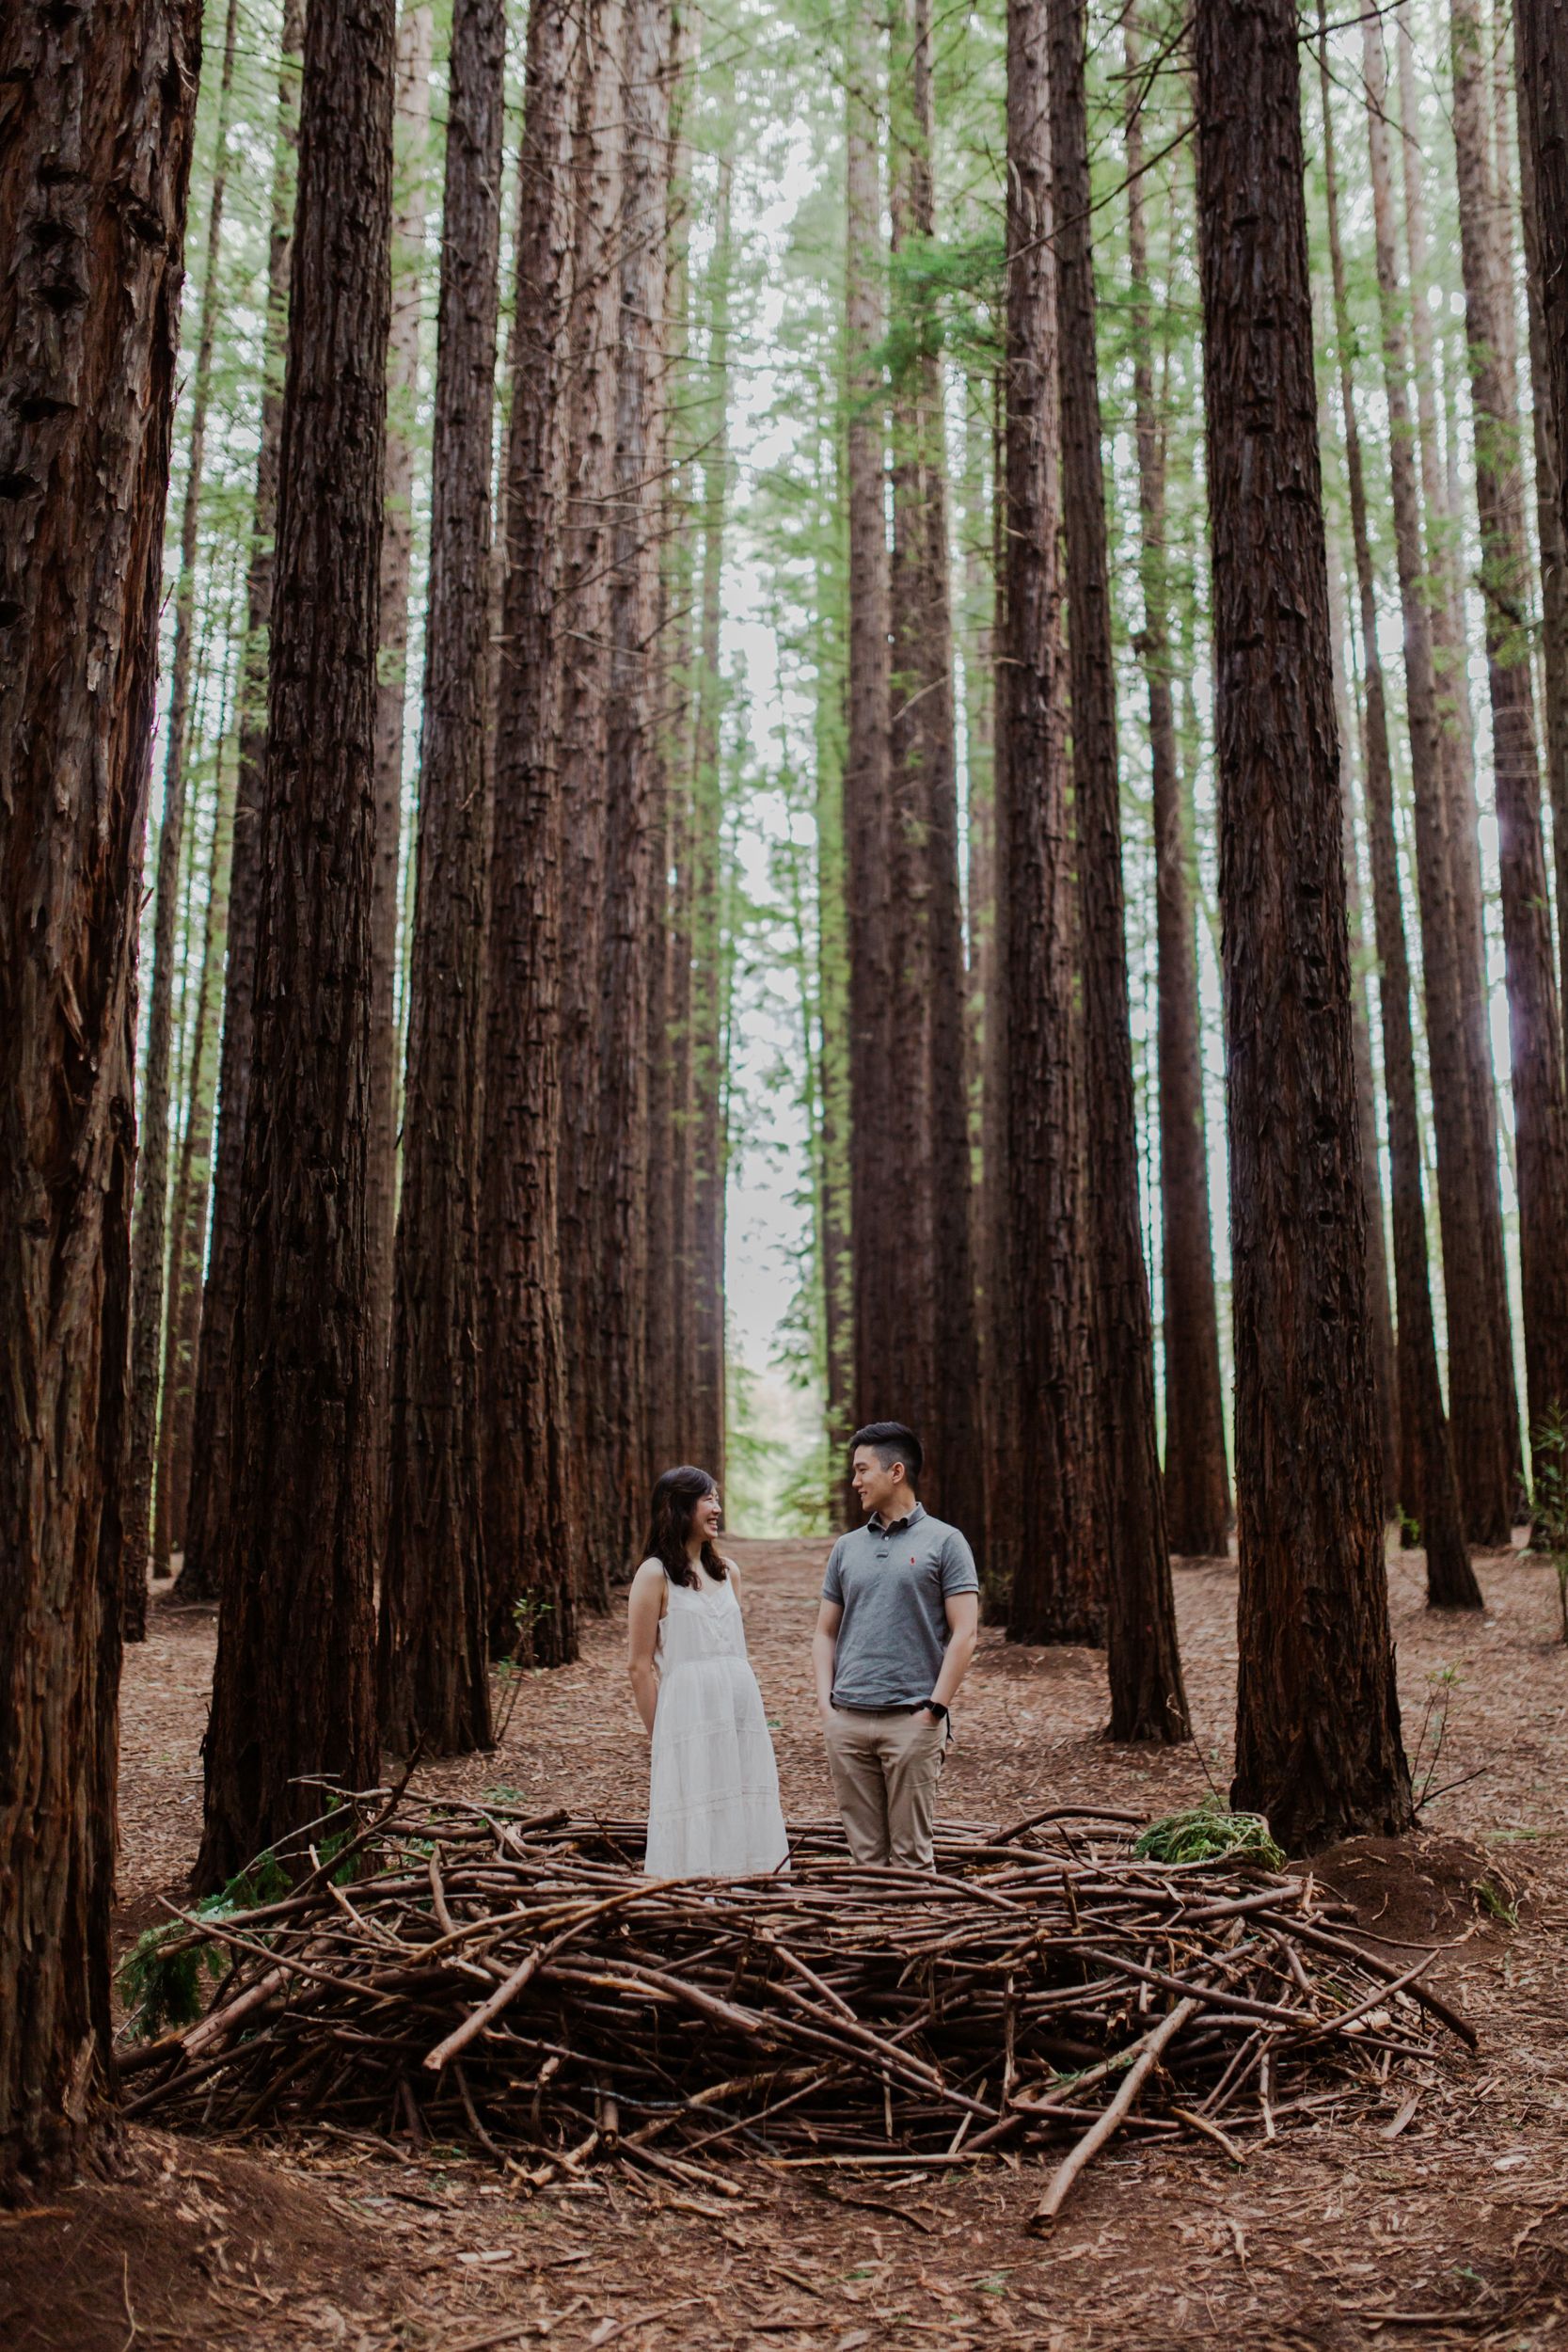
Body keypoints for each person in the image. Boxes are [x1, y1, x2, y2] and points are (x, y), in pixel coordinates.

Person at [813, 1422, 979, 1869]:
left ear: (896, 1472)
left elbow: (965, 1633)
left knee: (911, 1858)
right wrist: (828, 1712)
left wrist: (935, 1712)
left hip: (913, 1721)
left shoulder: (946, 1542)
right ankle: (869, 1936)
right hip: (847, 1721)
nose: (855, 1482)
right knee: (864, 1859)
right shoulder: (846, 1548)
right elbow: (824, 1632)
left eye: (863, 1470)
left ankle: (914, 1939)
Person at [627, 1465, 789, 1878]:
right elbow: (639, 1667)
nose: (717, 1508)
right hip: (687, 1715)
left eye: (717, 1498)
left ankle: (749, 1888)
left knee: (740, 1795)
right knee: (696, 1802)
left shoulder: (728, 1572)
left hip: (737, 1710)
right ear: (679, 1507)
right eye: (708, 1499)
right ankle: (696, 1895)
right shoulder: (654, 1574)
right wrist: (662, 1735)